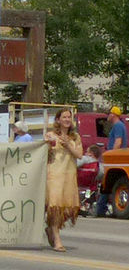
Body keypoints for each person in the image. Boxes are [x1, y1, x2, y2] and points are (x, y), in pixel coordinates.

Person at [44, 108, 83, 252]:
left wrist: (68, 145)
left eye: (69, 117)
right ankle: (57, 240)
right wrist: (48, 145)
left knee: (68, 208)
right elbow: (44, 153)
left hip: (69, 174)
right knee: (55, 207)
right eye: (64, 117)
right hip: (54, 174)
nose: (67, 119)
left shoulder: (75, 137)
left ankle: (50, 229)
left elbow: (79, 155)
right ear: (58, 120)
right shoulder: (51, 135)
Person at [96, 106, 128, 217]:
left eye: (109, 114)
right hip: (118, 158)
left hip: (116, 158)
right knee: (108, 183)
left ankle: (100, 209)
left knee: (107, 182)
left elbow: (118, 142)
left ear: (113, 115)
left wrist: (112, 155)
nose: (107, 116)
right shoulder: (120, 125)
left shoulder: (118, 126)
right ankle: (100, 208)